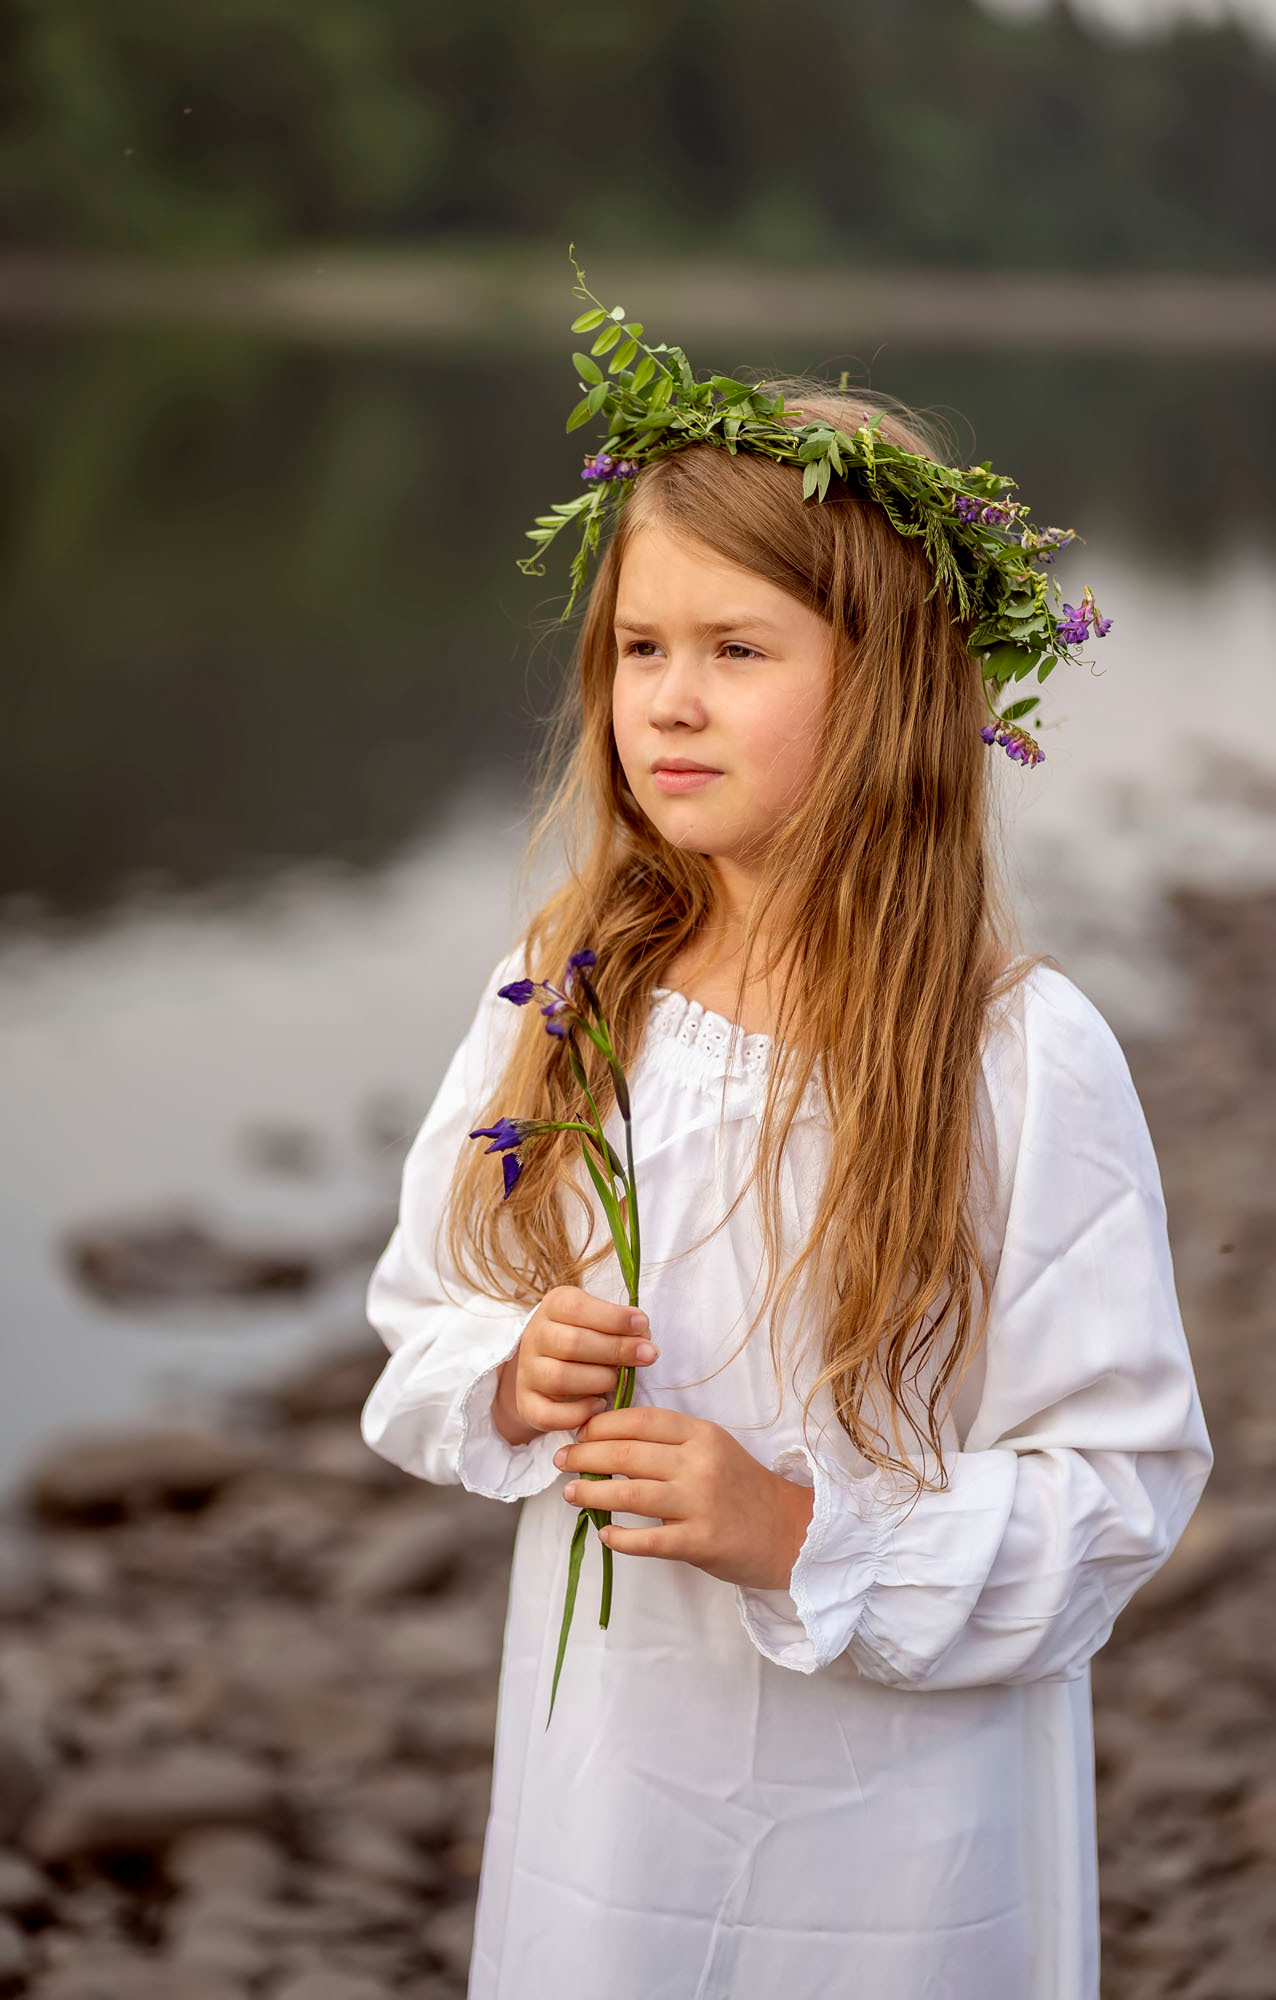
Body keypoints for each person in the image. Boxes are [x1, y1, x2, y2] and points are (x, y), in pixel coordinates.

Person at [359, 328, 1212, 2000]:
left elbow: (1115, 1488)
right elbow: (425, 1309)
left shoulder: (1012, 1055)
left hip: (899, 1826)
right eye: (637, 647)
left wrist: (798, 1531)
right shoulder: (571, 987)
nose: (667, 700)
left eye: (739, 648)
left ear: (888, 682)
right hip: (623, 1766)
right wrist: (516, 1372)